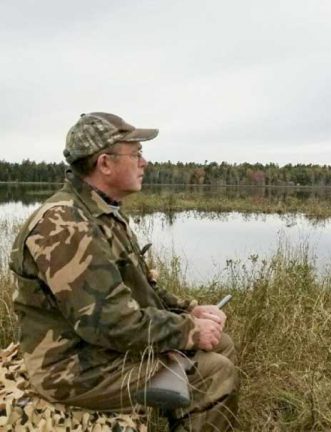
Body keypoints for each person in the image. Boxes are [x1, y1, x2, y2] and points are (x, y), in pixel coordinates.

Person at [8, 112, 239, 431]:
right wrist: (189, 330)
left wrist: (189, 310)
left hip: (98, 350)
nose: (144, 162)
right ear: (105, 163)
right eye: (137, 153)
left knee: (221, 343)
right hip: (73, 366)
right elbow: (108, 322)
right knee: (215, 372)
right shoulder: (64, 225)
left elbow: (138, 286)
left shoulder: (102, 213)